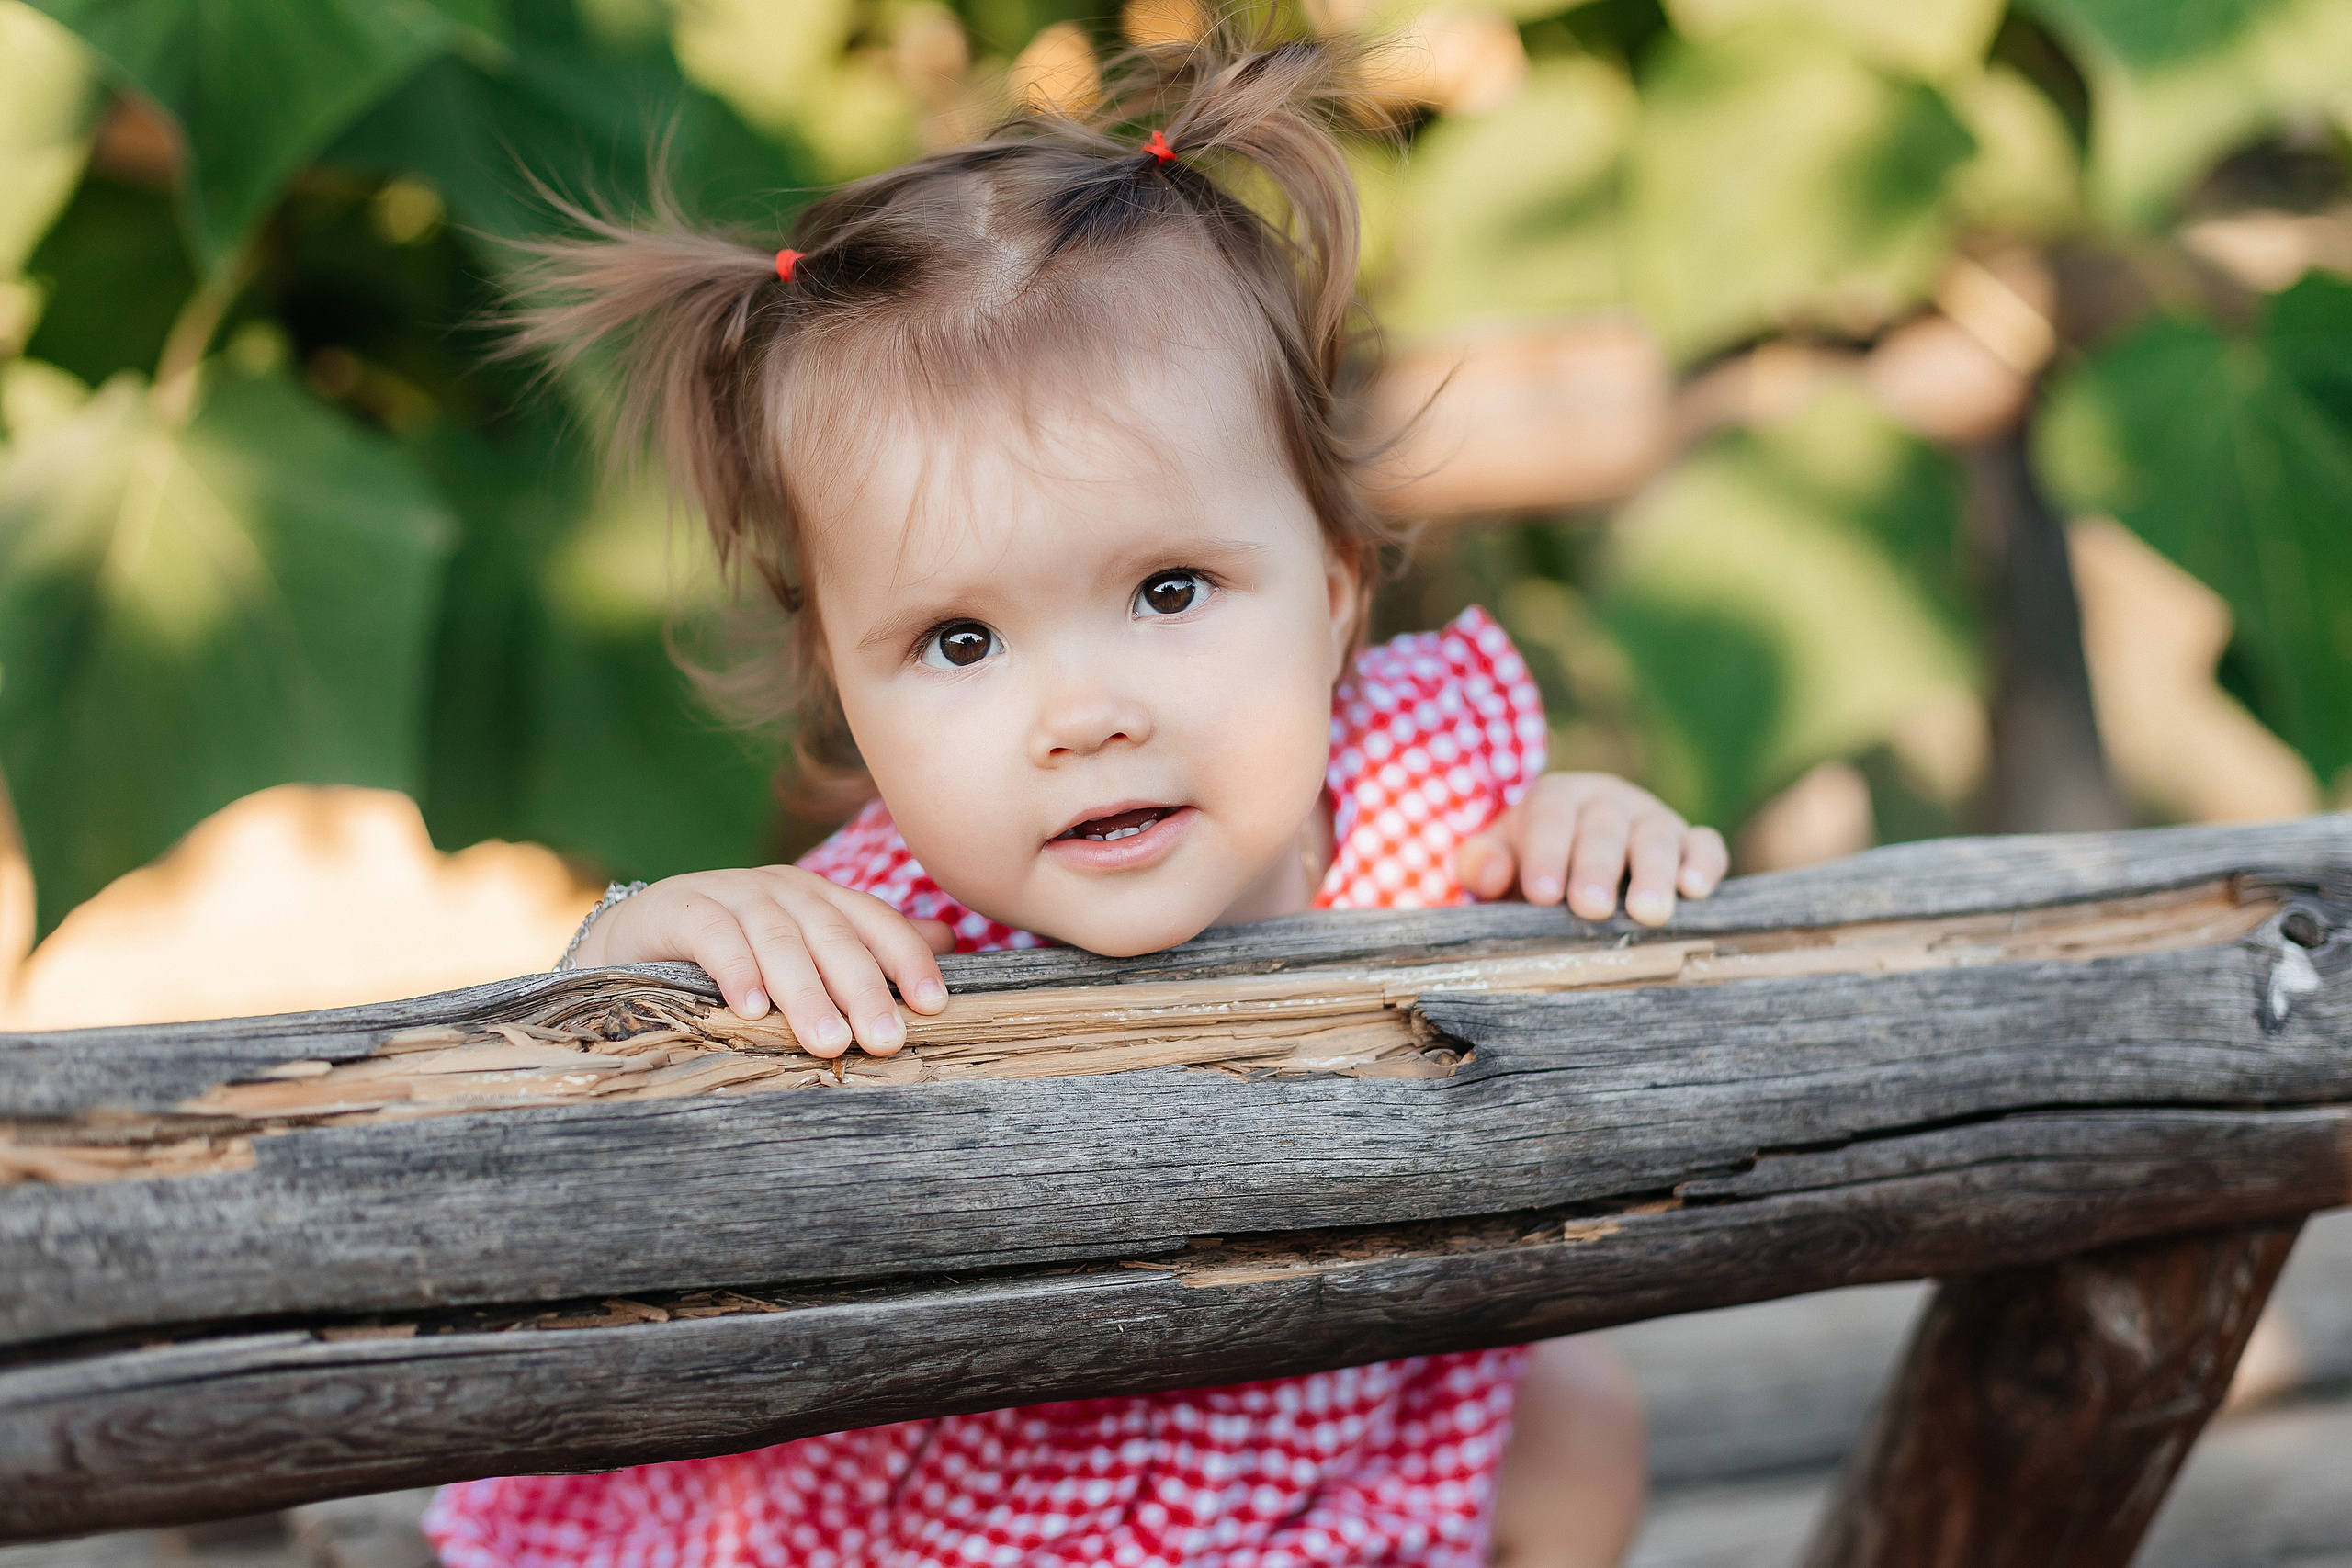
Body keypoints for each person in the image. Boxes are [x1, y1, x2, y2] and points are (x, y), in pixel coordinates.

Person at [425, 25, 1724, 1568]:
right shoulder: (886, 925)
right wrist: (650, 942)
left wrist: (1587, 834)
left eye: (1169, 591)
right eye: (959, 640)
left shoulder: (1418, 784)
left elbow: (1549, 890)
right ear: (848, 691)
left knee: (1576, 1408)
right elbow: (568, 1105)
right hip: (954, 1523)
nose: (1082, 716)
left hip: (1301, 1477)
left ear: (1332, 593)